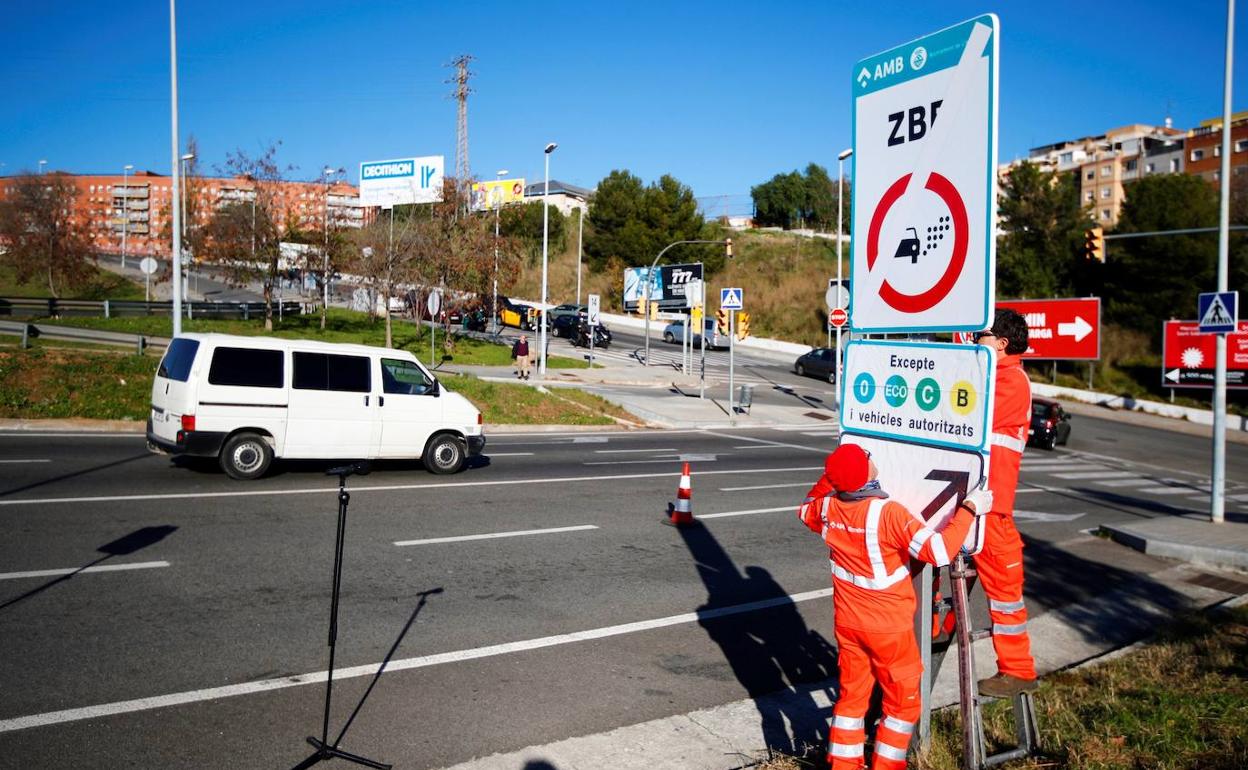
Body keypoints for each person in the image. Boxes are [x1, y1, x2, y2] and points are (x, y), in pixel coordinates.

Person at [798, 443, 992, 770]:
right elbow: (940, 551)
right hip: (889, 629)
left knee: (851, 700)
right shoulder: (888, 514)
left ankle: (843, 765)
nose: (873, 458)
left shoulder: (828, 510)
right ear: (863, 475)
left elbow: (804, 508)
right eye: (866, 459)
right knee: (901, 706)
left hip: (848, 624)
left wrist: (831, 477)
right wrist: (971, 507)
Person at [971, 308, 1039, 698]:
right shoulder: (996, 376)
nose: (973, 343)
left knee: (1005, 592)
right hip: (974, 501)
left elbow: (969, 414)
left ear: (1001, 344)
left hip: (992, 507)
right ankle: (931, 635)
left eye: (980, 338)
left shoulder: (1011, 381)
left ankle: (1017, 670)